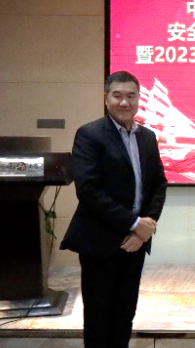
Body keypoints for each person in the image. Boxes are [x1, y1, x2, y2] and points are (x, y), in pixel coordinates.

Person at [61, 71, 167, 348]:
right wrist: (134, 223)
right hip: (99, 241)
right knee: (99, 316)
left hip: (135, 243)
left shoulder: (147, 137)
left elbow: (158, 185)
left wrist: (144, 228)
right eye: (117, 95)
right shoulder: (89, 134)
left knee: (125, 313)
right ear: (106, 98)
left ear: (139, 99)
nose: (124, 102)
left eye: (131, 96)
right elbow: (88, 191)